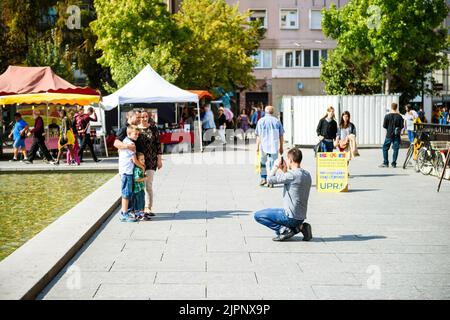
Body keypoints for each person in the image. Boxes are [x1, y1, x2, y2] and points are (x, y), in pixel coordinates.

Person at [254, 148, 312, 242]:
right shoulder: (307, 174)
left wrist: (276, 166)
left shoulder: (291, 175)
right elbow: (294, 182)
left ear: (290, 160)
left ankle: (285, 230)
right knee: (279, 223)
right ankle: (301, 227)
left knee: (259, 215)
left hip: (290, 217)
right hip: (300, 217)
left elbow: (269, 180)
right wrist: (285, 170)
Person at [118, 125, 145, 222]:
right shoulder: (131, 144)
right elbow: (134, 160)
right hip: (127, 172)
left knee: (127, 192)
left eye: (138, 134)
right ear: (129, 133)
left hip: (124, 171)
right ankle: (124, 214)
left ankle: (127, 212)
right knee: (126, 193)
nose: (137, 136)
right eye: (135, 134)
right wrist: (142, 166)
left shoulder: (124, 141)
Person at [139, 110, 162, 218]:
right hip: (139, 162)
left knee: (148, 185)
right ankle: (140, 208)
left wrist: (159, 159)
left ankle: (148, 207)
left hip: (151, 160)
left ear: (149, 117)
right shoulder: (136, 129)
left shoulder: (153, 128)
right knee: (140, 185)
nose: (143, 119)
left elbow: (158, 144)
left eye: (145, 116)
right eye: (142, 117)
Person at [255, 105, 284, 188]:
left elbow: (258, 135)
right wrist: (281, 146)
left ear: (265, 112)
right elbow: (281, 135)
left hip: (263, 145)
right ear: (273, 112)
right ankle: (271, 180)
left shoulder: (260, 121)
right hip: (274, 145)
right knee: (273, 163)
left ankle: (263, 178)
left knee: (263, 162)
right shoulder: (277, 121)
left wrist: (257, 146)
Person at [379, 103, 404, 168]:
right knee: (395, 149)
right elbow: (402, 126)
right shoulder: (400, 116)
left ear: (391, 107)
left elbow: (384, 126)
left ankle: (385, 163)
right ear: (396, 107)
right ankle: (394, 163)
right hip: (396, 135)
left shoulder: (387, 116)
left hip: (389, 134)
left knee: (385, 148)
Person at [133, 152, 149, 220]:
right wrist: (144, 178)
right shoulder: (138, 169)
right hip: (138, 189)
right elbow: (136, 179)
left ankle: (140, 213)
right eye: (141, 159)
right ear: (137, 161)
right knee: (140, 201)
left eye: (144, 159)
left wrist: (144, 175)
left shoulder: (140, 168)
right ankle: (140, 214)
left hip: (140, 188)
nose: (143, 161)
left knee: (141, 200)